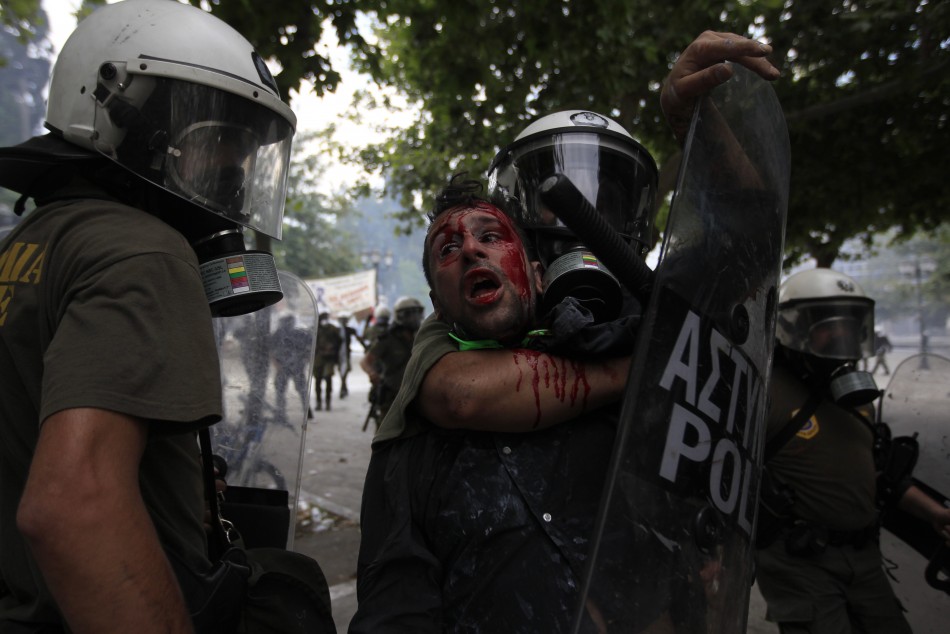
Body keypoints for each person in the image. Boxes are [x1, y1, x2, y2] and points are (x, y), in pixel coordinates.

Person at [351, 32, 783, 633]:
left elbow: (749, 242)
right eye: (558, 200)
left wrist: (698, 122)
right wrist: (640, 368)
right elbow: (395, 606)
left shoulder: (655, 315)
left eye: (608, 194)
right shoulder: (434, 397)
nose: (583, 217)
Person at [0, 1, 333, 631]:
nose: (233, 179)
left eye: (246, 153)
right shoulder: (146, 252)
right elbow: (71, 504)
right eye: (214, 142)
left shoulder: (33, 242)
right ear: (123, 119)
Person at [756, 268, 950, 634]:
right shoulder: (766, 392)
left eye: (849, 321)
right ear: (793, 327)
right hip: (800, 562)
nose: (841, 332)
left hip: (865, 559)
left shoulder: (857, 399)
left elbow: (881, 474)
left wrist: (934, 513)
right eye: (827, 323)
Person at [359, 296, 425, 424]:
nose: (414, 318)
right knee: (387, 433)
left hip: (417, 395)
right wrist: (372, 374)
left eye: (417, 313)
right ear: (400, 316)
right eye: (409, 314)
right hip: (392, 394)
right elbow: (365, 361)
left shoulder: (422, 336)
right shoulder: (387, 339)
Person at [313, 311, 343, 411]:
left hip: (329, 358)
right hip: (318, 358)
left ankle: (328, 402)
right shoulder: (316, 329)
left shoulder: (332, 329)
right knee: (318, 381)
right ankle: (318, 402)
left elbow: (340, 341)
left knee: (328, 379)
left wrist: (333, 348)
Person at [337, 311, 366, 399]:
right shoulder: (335, 330)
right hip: (338, 355)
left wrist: (365, 346)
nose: (343, 321)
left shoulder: (349, 330)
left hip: (346, 354)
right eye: (342, 320)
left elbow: (359, 338)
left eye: (344, 320)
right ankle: (344, 387)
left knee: (344, 372)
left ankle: (343, 388)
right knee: (341, 372)